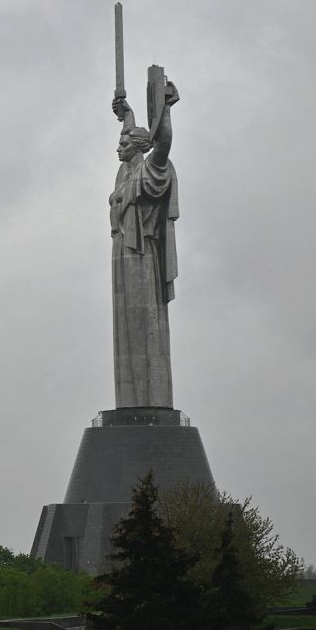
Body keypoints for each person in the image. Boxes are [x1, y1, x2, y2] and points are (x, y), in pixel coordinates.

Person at [109, 81, 180, 409]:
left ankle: (151, 401)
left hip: (141, 256)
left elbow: (161, 143)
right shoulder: (125, 174)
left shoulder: (152, 170)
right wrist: (128, 113)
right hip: (122, 254)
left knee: (144, 326)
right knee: (124, 329)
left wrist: (165, 109)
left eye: (124, 143)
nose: (118, 147)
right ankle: (130, 402)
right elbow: (133, 135)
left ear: (138, 147)